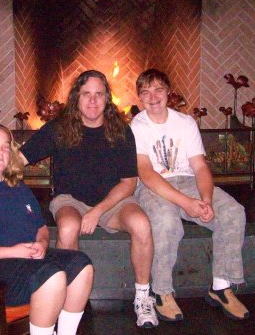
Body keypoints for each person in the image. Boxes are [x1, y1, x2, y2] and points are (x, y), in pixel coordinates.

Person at [20, 70, 158, 328]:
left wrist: (98, 211)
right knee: (69, 226)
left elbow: (129, 183)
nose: (93, 101)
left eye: (99, 94)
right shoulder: (59, 129)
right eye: (87, 94)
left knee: (141, 223)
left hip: (112, 202)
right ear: (76, 97)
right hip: (70, 200)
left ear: (107, 98)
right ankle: (70, 297)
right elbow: (20, 159)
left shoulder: (121, 131)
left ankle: (142, 297)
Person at [0, 123, 94, 335]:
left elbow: (41, 227)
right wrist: (14, 251)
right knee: (51, 275)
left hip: (27, 261)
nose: (0, 151)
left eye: (5, 146)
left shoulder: (18, 188)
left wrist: (42, 243)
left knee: (81, 264)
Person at [131, 68, 249, 322]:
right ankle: (162, 291)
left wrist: (205, 200)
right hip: (153, 185)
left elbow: (200, 167)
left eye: (158, 90)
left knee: (232, 212)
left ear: (169, 92)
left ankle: (220, 286)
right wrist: (186, 203)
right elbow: (146, 173)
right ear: (139, 98)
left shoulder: (186, 123)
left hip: (188, 181)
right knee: (165, 220)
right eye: (145, 92)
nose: (152, 97)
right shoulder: (137, 125)